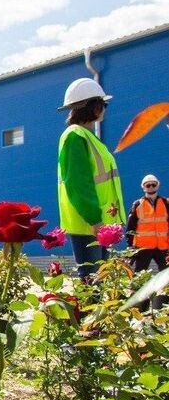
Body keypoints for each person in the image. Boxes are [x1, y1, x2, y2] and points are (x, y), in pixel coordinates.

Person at [57, 78, 126, 280]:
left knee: (100, 280)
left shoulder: (87, 136)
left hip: (99, 222)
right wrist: (94, 219)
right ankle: (86, 314)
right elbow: (78, 182)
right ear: (93, 106)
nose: (105, 108)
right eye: (103, 104)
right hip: (89, 223)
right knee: (91, 281)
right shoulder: (75, 136)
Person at [127, 174, 169, 273]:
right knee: (139, 275)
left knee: (166, 275)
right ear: (143, 187)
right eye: (147, 185)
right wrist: (130, 246)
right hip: (143, 247)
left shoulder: (165, 203)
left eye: (153, 185)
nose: (150, 187)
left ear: (157, 185)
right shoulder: (137, 204)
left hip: (163, 246)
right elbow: (130, 227)